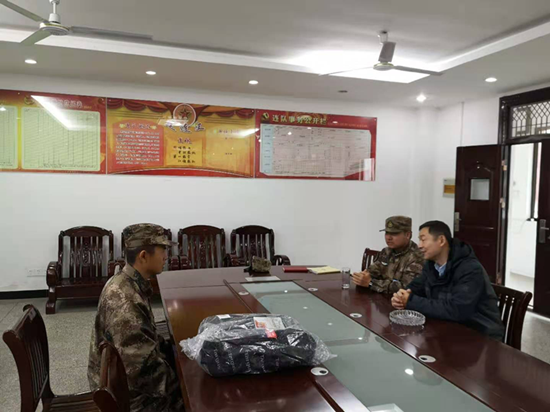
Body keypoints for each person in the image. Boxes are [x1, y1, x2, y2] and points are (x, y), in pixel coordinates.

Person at [88, 223, 184, 412]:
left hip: (124, 381)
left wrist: (176, 353)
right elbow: (142, 373)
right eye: (163, 250)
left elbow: (146, 339)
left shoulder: (127, 281)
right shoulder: (126, 302)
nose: (166, 256)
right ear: (143, 256)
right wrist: (187, 380)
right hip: (129, 399)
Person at [391, 220, 504, 341]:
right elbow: (416, 287)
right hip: (450, 329)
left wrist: (410, 301)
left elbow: (457, 310)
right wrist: (401, 296)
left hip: (480, 335)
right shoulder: (432, 265)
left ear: (441, 240)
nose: (419, 245)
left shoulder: (470, 269)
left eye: (423, 240)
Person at [352, 216, 424, 294]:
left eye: (394, 233)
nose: (388, 238)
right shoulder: (386, 251)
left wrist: (371, 283)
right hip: (382, 297)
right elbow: (374, 270)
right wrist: (363, 276)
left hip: (401, 301)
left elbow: (405, 287)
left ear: (407, 235)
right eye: (387, 233)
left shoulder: (417, 256)